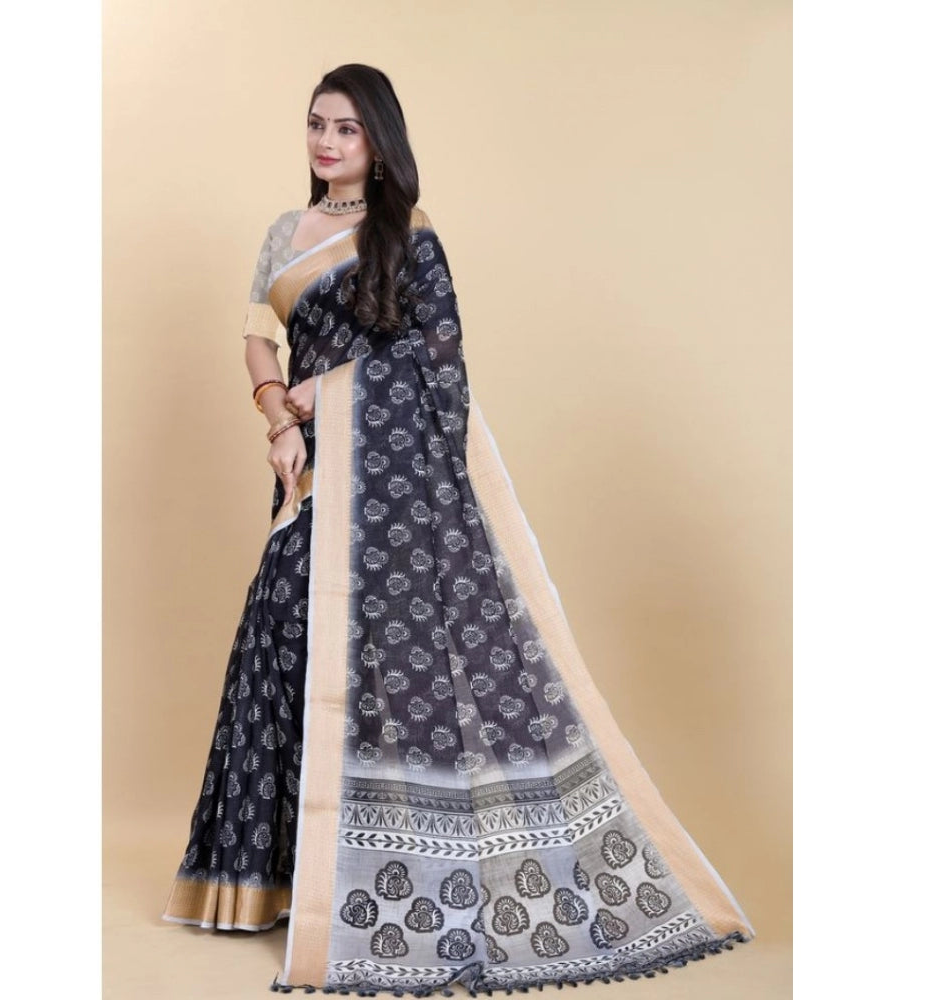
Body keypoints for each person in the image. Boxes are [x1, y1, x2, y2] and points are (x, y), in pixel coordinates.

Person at [161, 63, 754, 996]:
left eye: (347, 129)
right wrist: (279, 416)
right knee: (281, 638)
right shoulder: (284, 231)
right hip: (305, 470)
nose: (326, 142)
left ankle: (384, 878)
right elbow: (255, 337)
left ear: (378, 142)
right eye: (316, 124)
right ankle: (266, 883)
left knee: (378, 659)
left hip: (388, 484)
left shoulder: (409, 236)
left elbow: (438, 360)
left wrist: (325, 396)